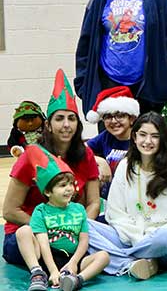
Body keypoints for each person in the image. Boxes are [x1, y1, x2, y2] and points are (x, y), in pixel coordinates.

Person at [3, 70, 101, 267]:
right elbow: (9, 210)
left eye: (71, 119)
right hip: (30, 230)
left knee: (103, 236)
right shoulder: (30, 155)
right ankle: (67, 265)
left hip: (72, 232)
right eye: (59, 119)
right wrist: (48, 229)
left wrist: (78, 228)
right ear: (47, 125)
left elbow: (94, 204)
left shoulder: (86, 155)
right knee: (24, 246)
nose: (66, 125)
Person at [87, 112, 167, 280]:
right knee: (84, 224)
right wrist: (137, 236)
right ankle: (135, 264)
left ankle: (122, 258)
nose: (147, 141)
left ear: (163, 139)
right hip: (130, 236)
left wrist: (149, 236)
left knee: (165, 238)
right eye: (143, 135)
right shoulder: (125, 166)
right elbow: (115, 213)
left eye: (154, 136)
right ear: (134, 137)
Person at [15, 146, 109, 291]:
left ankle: (76, 280)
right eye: (62, 185)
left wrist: (73, 263)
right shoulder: (40, 211)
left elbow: (84, 240)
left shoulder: (79, 209)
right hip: (48, 258)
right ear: (47, 191)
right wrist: (52, 269)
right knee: (23, 231)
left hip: (73, 260)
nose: (69, 188)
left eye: (71, 184)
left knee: (103, 256)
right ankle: (38, 273)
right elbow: (43, 242)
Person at [84, 86, 140, 199]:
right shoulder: (105, 137)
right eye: (108, 116)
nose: (114, 121)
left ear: (132, 119)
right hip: (109, 199)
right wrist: (100, 160)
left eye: (120, 116)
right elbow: (78, 149)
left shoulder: (141, 138)